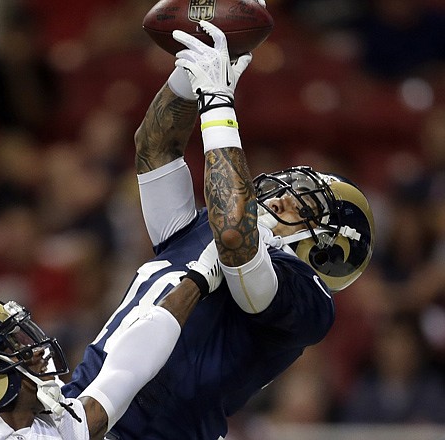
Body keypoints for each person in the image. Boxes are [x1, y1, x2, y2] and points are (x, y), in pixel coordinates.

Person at [61, 21, 375, 439]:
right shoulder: (194, 229)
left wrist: (218, 102)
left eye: (304, 208)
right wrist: (190, 71)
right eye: (291, 190)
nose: (282, 199)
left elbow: (234, 240)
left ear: (326, 252)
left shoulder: (308, 298)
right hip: (80, 413)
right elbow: (154, 147)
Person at [0, 239, 223, 439]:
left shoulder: (54, 426)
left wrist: (198, 280)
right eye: (12, 349)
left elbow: (127, 369)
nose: (33, 355)